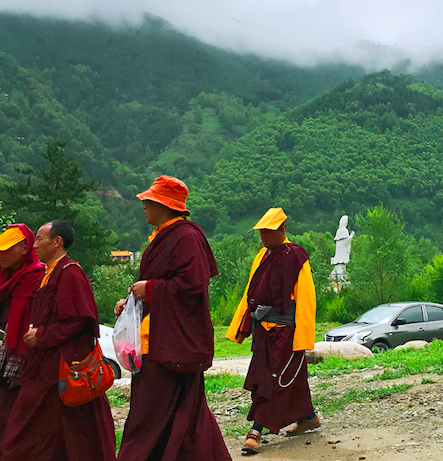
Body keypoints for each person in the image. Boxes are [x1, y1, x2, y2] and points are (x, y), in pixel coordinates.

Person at [117, 175, 231, 461]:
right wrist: (133, 301)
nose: (143, 205)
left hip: (173, 342)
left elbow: (192, 285)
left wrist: (151, 289)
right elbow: (164, 283)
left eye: (149, 201)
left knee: (154, 415)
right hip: (158, 339)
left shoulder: (186, 236)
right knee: (181, 414)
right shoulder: (163, 236)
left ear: (164, 205)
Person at [0, 220, 116, 461]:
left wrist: (41, 335)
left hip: (60, 367)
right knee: (43, 428)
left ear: (57, 241)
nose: (35, 246)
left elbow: (80, 320)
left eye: (40, 239)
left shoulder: (70, 273)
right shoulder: (50, 272)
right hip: (45, 367)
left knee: (28, 429)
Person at [225, 208, 318, 455]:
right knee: (291, 378)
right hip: (262, 331)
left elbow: (307, 299)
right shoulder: (262, 256)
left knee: (273, 380)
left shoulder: (296, 256)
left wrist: (303, 338)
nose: (263, 236)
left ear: (283, 229)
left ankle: (255, 432)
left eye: (269, 231)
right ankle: (309, 417)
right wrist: (241, 326)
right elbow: (250, 293)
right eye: (261, 231)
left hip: (285, 331)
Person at [0, 223, 45, 461]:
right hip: (0, 361)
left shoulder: (37, 274)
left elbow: (31, 321)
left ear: (25, 249)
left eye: (7, 249)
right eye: (0, 249)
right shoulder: (6, 278)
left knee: (17, 425)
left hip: (23, 362)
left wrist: (19, 365)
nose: (0, 255)